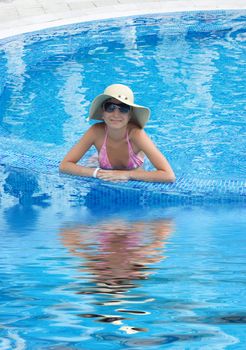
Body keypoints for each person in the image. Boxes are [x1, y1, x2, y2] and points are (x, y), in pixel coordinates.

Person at [59, 84, 175, 183]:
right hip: (99, 163)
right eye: (110, 107)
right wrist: (97, 173)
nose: (116, 114)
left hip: (134, 170)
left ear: (129, 115)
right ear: (103, 113)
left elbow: (168, 175)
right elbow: (65, 165)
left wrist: (127, 175)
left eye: (123, 108)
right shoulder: (96, 132)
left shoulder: (136, 135)